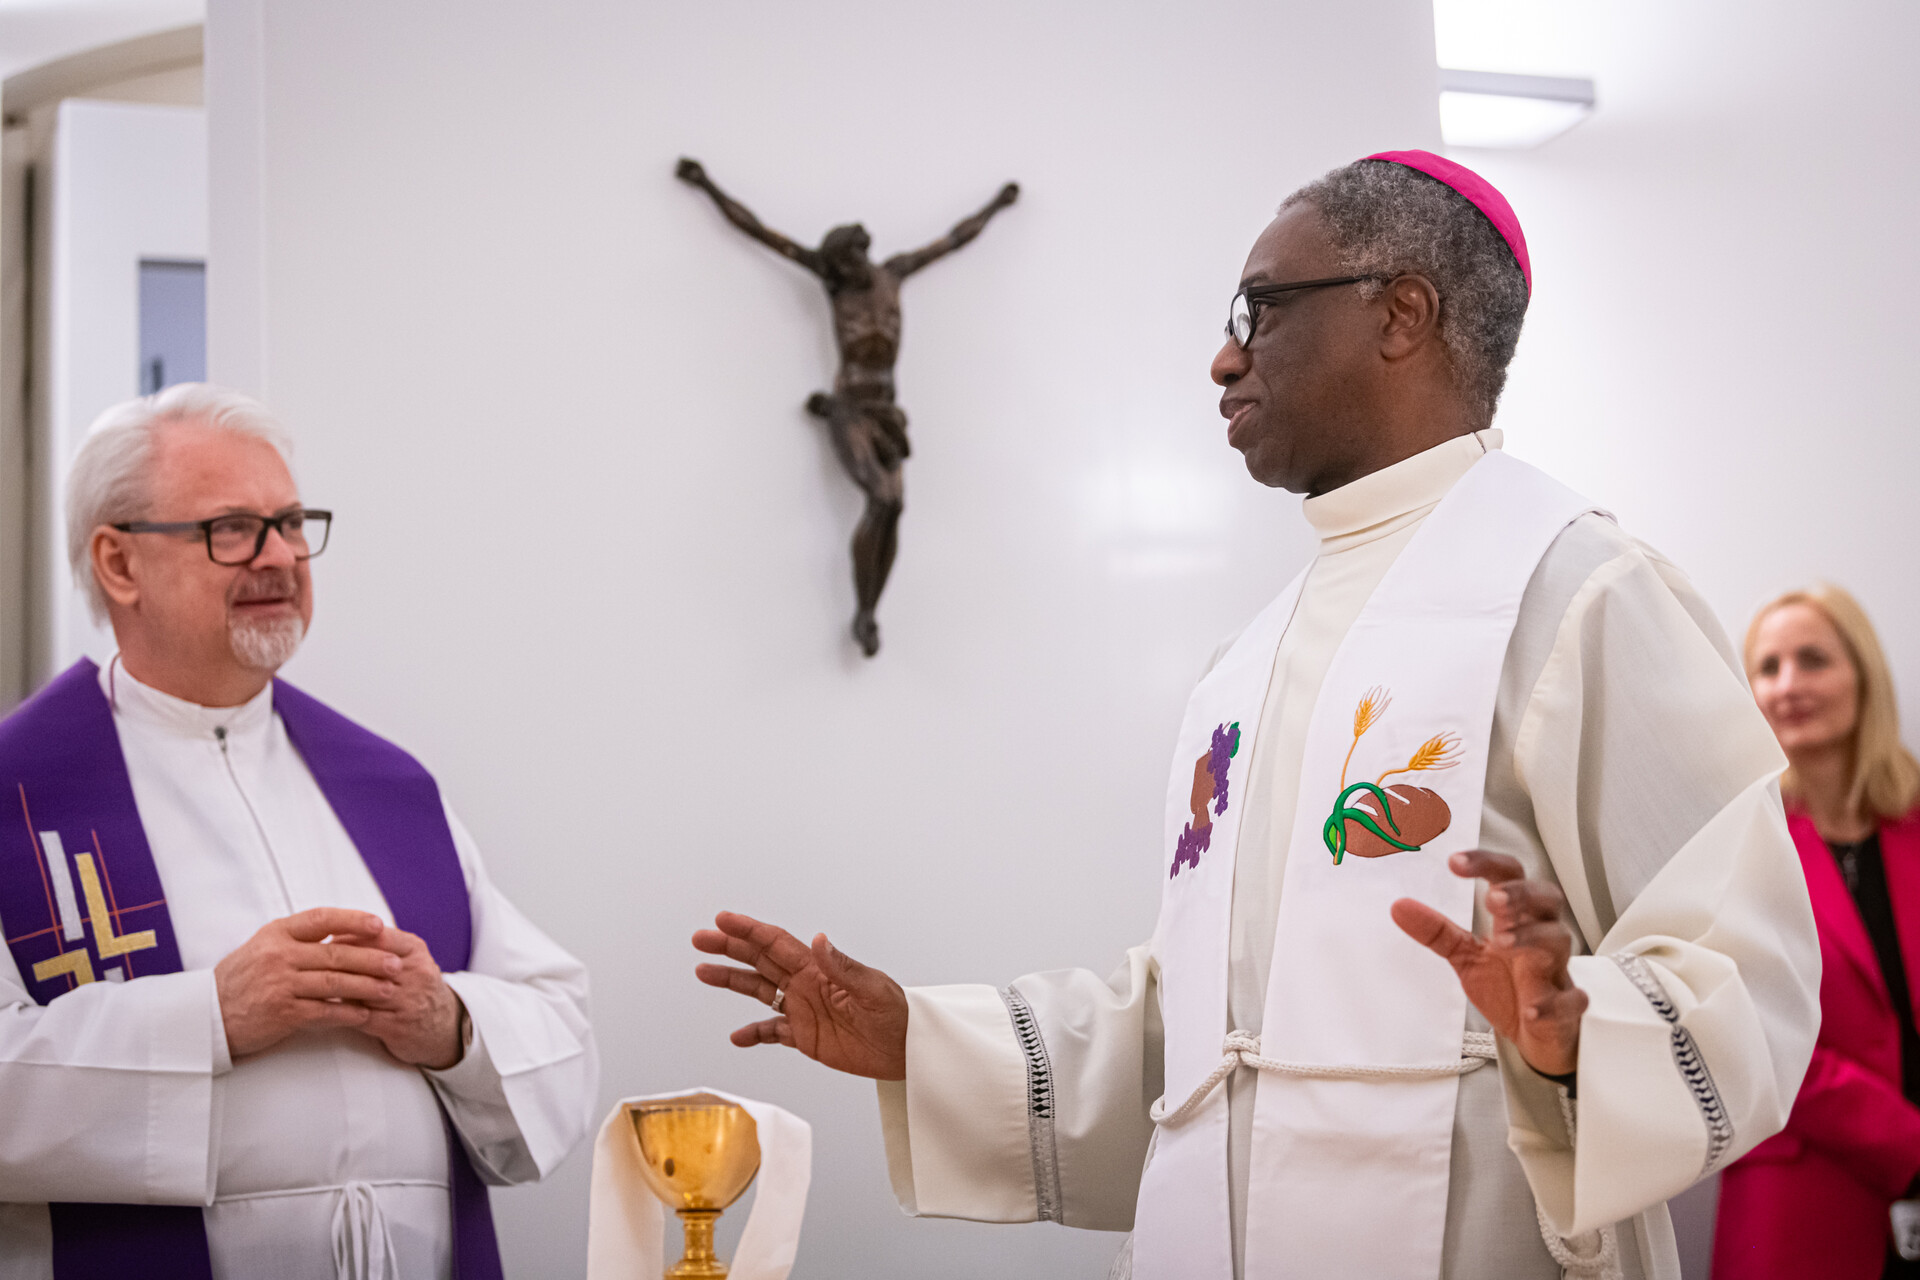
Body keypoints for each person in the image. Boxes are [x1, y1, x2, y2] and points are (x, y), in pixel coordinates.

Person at [692, 151, 1821, 1280]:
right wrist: (926, 1042)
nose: (1226, 356)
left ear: (1402, 314)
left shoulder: (1580, 593)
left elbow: (1746, 974)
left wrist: (1576, 1037)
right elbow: (1208, 1046)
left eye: (1262, 309)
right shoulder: (1249, 658)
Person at [0, 385, 598, 1280]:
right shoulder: (20, 793)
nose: (280, 556)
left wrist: (451, 1024)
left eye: (289, 524)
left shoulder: (388, 787)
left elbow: (562, 1033)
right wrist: (211, 1017)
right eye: (233, 529)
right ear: (119, 564)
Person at [674, 157, 1019, 656]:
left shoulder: (893, 274)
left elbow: (954, 239)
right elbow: (759, 232)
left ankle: (869, 611)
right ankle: (864, 614)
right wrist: (707, 185)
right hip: (850, 407)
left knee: (895, 507)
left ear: (861, 256)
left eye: (852, 262)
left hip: (887, 410)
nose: (846, 271)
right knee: (881, 499)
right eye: (839, 267)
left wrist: (996, 206)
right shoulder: (832, 282)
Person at [1715, 584, 1920, 1280]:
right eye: (1768, 667)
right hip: (1803, 1204)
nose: (1788, 685)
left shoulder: (1913, 826)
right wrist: (1908, 1145)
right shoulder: (1736, 842)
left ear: (1863, 674)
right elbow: (1754, 1032)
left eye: (1813, 659)